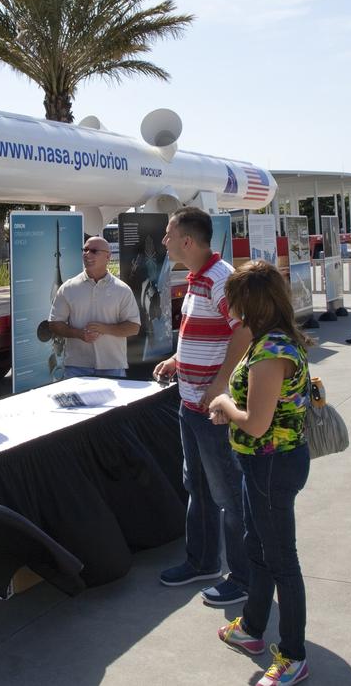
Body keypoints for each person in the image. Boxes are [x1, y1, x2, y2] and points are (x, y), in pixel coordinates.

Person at [208, 261, 312, 686]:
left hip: (272, 465)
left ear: (252, 302)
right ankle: (252, 627)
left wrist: (223, 406)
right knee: (259, 547)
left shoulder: (270, 352)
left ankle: (293, 654)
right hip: (263, 464)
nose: (230, 308)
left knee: (281, 560)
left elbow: (255, 423)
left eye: (234, 300)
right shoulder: (272, 340)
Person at [155, 207, 253, 607]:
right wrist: (179, 361)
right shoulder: (197, 279)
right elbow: (207, 334)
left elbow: (244, 331)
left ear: (187, 242)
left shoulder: (220, 278)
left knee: (228, 493)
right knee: (197, 485)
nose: (164, 240)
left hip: (211, 408)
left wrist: (220, 383)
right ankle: (204, 561)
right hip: (190, 404)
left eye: (168, 233)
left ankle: (244, 577)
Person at [48, 235, 141, 377]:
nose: (87, 254)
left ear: (108, 257)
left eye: (94, 251)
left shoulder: (122, 290)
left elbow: (134, 327)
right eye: (85, 250)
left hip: (112, 366)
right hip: (76, 367)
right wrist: (79, 334)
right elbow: (54, 323)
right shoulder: (68, 288)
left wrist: (105, 329)